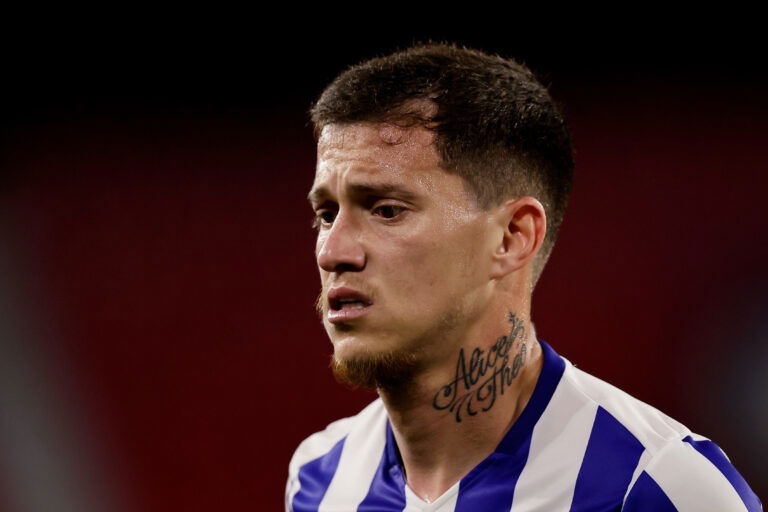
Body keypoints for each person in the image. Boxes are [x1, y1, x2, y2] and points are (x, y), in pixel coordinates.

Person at [286, 44, 762, 512]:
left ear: (513, 237)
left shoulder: (656, 486)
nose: (332, 252)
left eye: (387, 210)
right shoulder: (319, 479)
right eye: (326, 214)